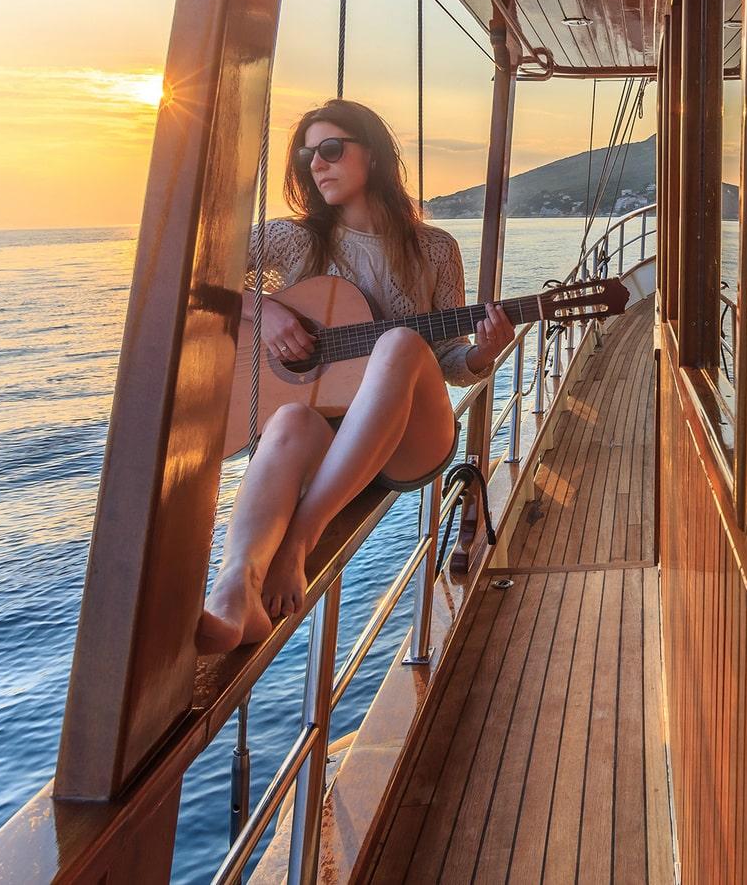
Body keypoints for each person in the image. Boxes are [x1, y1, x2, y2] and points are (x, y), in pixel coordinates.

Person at [196, 100, 514, 654]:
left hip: (410, 439)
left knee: (400, 341)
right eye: (307, 156)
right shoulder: (291, 240)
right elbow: (194, 272)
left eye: (331, 149)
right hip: (329, 440)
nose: (317, 164)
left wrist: (483, 353)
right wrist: (264, 311)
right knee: (288, 417)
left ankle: (300, 538)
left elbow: (447, 361)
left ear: (374, 155)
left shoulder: (434, 248)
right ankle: (234, 591)